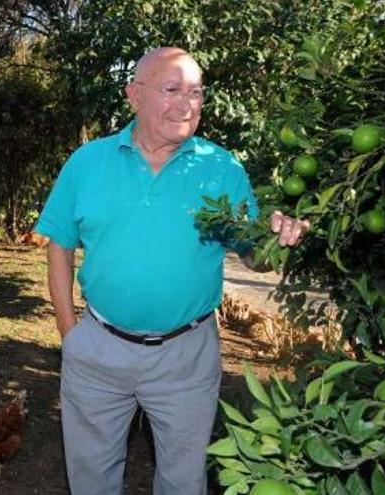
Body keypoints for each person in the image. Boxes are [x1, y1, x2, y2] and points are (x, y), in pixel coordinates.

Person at [35, 47, 308, 495]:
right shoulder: (88, 162)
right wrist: (70, 332)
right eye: (172, 89)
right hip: (99, 349)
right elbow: (60, 244)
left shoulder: (219, 168)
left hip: (187, 355)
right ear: (134, 95)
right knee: (90, 480)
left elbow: (254, 254)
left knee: (184, 481)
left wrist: (277, 240)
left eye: (196, 92)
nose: (186, 104)